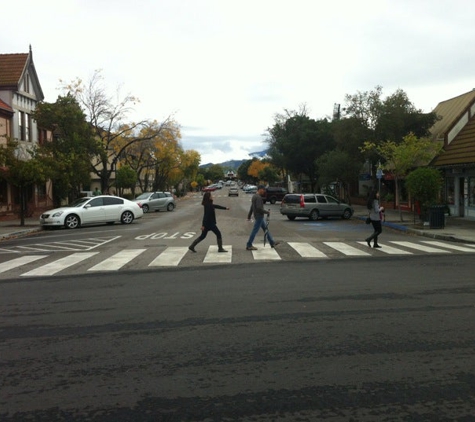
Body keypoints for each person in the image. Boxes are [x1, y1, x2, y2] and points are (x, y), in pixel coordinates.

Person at [246, 185, 280, 250]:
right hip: (259, 216)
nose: (264, 191)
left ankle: (272, 242)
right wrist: (266, 212)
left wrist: (249, 215)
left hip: (258, 216)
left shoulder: (254, 196)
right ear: (260, 189)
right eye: (263, 190)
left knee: (266, 229)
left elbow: (252, 207)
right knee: (255, 231)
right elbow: (258, 208)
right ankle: (249, 245)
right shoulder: (258, 197)